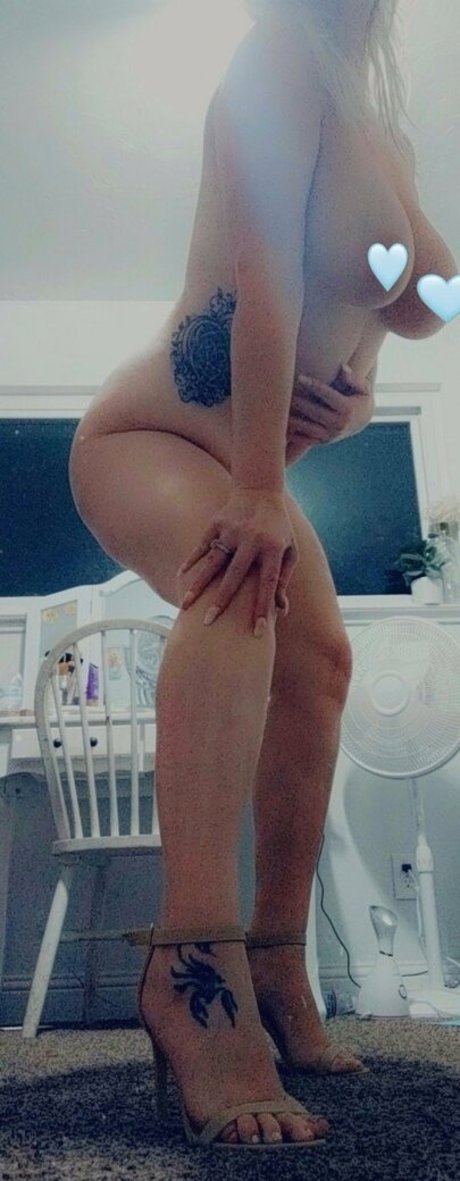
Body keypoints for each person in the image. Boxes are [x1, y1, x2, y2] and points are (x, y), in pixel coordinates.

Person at [68, 0, 455, 1151]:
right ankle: (192, 974)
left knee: (320, 661)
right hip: (153, 437)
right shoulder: (274, 58)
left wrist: (360, 397)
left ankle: (279, 961)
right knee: (237, 587)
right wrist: (253, 486)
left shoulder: (379, 118)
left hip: (241, 455)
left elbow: (416, 307)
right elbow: (263, 275)